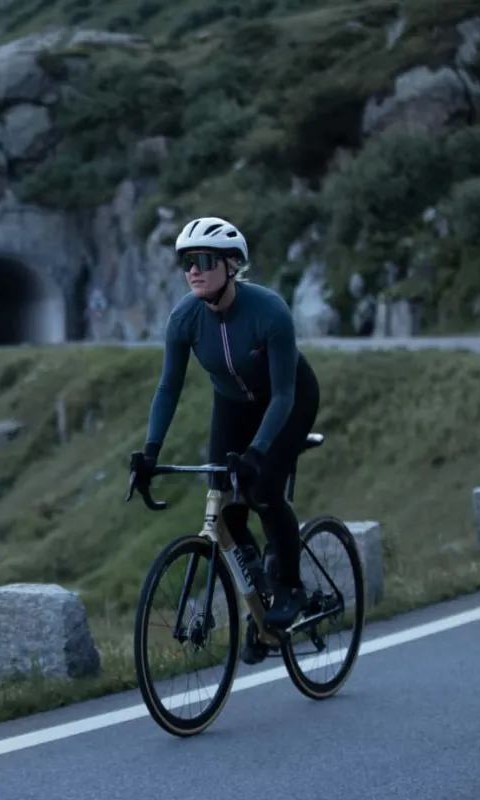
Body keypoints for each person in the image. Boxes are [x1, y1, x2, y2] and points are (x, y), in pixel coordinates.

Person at [138, 216, 321, 658]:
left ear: (232, 264)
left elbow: (283, 395)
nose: (193, 271)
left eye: (203, 260)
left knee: (264, 489)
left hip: (287, 399)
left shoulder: (269, 311)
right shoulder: (184, 318)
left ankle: (291, 587)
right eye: (186, 262)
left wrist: (258, 452)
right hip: (233, 404)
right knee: (224, 500)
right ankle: (260, 600)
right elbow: (169, 388)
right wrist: (150, 452)